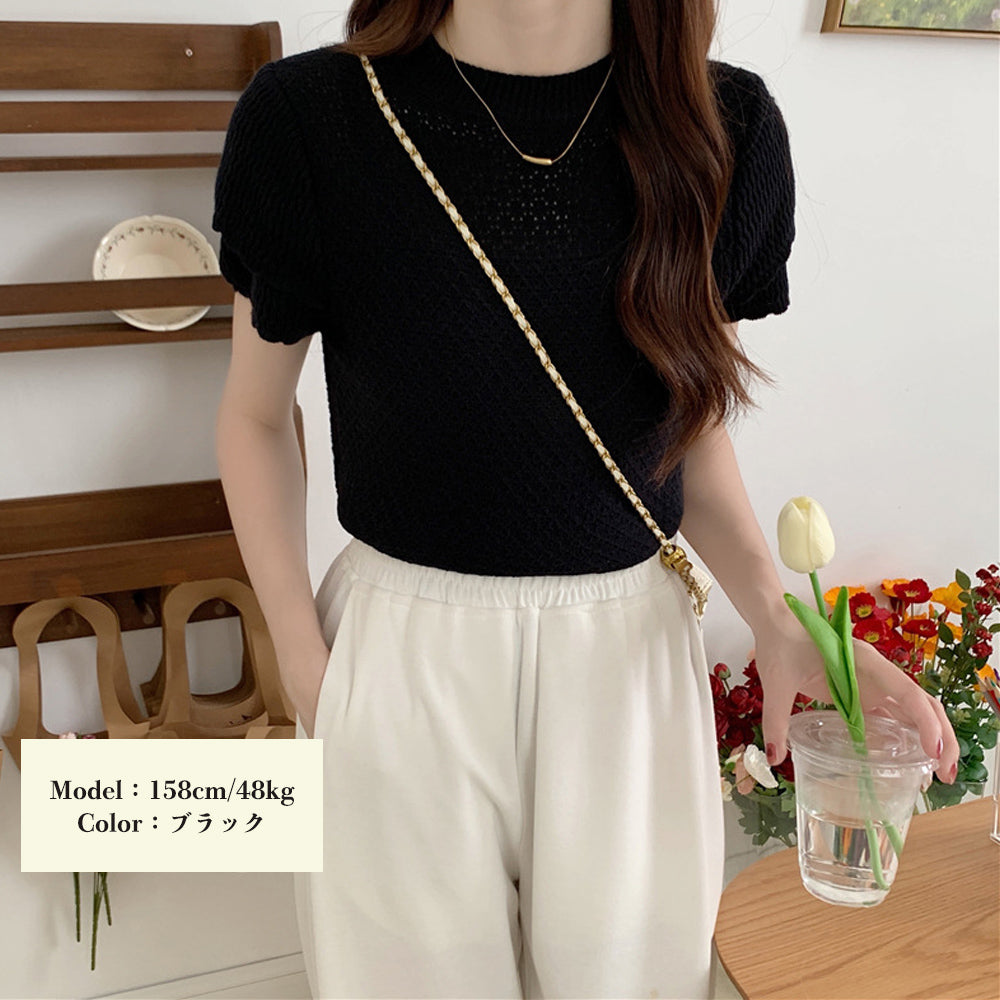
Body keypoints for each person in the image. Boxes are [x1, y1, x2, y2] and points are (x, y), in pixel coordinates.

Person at [212, 1, 960, 997]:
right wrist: (306, 664)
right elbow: (254, 417)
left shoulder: (720, 125)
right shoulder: (312, 118)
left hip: (628, 658)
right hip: (399, 652)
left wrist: (778, 619)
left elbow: (684, 431)